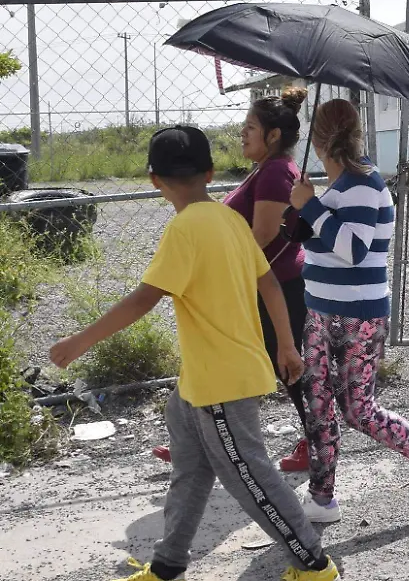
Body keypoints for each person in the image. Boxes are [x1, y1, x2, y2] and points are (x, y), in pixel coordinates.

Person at [49, 126, 338, 581]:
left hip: (222, 381)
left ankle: (314, 564)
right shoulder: (228, 219)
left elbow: (145, 299)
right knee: (190, 468)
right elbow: (267, 281)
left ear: (153, 180)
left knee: (250, 476)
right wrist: (285, 343)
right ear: (209, 172)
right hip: (201, 378)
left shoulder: (184, 228)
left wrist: (78, 341)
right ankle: (168, 565)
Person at [289, 99, 409, 523]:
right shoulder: (334, 188)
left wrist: (309, 209)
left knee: (357, 410)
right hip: (319, 311)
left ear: (318, 140)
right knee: (317, 405)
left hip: (359, 316)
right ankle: (322, 497)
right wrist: (301, 211)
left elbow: (353, 249)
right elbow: (319, 245)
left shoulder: (364, 184)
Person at [152, 88, 312, 473]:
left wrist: (216, 261)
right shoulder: (266, 168)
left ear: (273, 135)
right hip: (261, 282)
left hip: (276, 284)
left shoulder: (276, 171)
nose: (242, 132)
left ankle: (318, 439)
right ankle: (195, 440)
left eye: (250, 126)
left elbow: (260, 235)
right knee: (223, 358)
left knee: (288, 368)